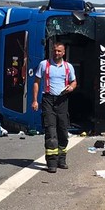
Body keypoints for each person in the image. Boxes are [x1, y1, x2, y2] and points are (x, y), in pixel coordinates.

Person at [31, 42, 77, 172]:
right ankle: (51, 163)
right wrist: (35, 101)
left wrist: (71, 87)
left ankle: (61, 160)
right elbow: (36, 82)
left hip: (62, 100)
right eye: (55, 50)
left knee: (62, 131)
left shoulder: (68, 67)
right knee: (51, 132)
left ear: (63, 53)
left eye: (59, 51)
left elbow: (74, 82)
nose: (56, 53)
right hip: (48, 100)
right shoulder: (43, 65)